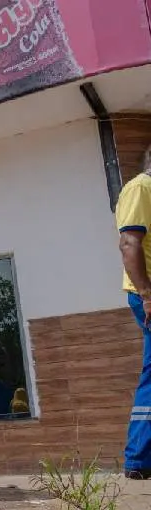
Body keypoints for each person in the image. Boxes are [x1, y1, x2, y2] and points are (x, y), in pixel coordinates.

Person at [115, 145, 151, 480]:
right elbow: (129, 243)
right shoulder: (141, 186)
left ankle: (140, 458)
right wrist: (147, 293)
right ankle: (139, 459)